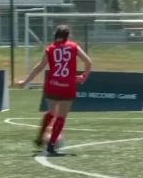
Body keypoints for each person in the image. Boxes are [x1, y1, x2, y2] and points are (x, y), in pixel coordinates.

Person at [18, 25, 92, 154]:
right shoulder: (74, 46)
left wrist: (25, 81)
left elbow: (40, 67)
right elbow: (88, 61)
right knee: (61, 117)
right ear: (68, 35)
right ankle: (51, 144)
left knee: (51, 112)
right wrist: (84, 76)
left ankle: (40, 137)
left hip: (53, 85)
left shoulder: (50, 48)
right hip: (68, 85)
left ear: (55, 35)